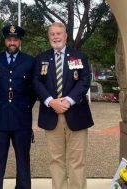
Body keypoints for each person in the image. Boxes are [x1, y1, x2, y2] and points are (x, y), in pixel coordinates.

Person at [33, 22, 94, 189]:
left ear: (66, 35)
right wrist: (51, 102)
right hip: (51, 115)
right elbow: (36, 82)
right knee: (56, 160)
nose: (56, 37)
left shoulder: (79, 56)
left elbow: (84, 80)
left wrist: (68, 100)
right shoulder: (42, 58)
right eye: (52, 34)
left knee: (77, 161)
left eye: (59, 33)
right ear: (49, 37)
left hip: (76, 114)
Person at [0, 24, 36, 189]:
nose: (12, 42)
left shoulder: (30, 61)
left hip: (22, 118)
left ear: (20, 41)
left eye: (15, 39)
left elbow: (34, 89)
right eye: (9, 39)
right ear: (5, 41)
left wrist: (25, 106)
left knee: (23, 159)